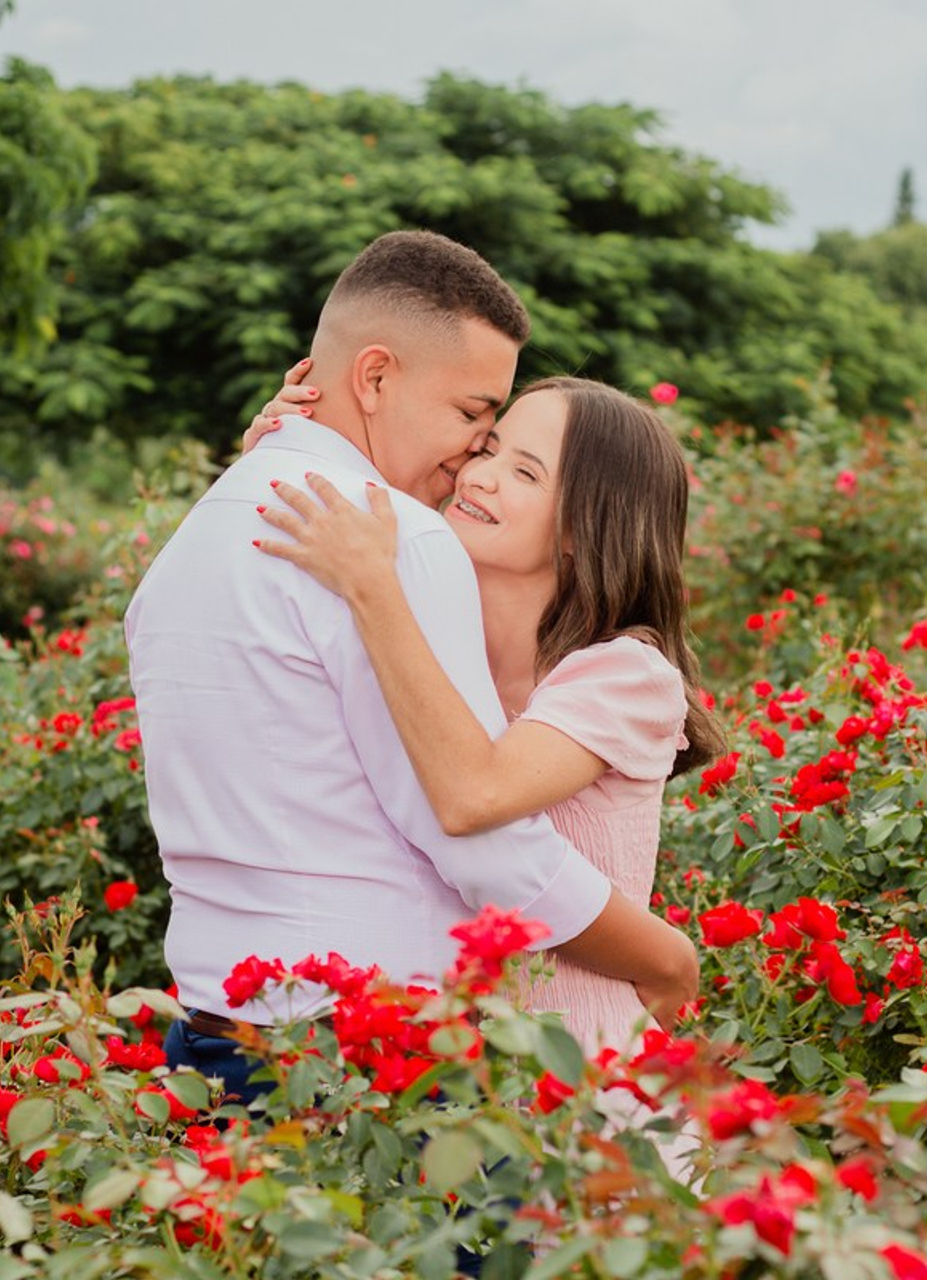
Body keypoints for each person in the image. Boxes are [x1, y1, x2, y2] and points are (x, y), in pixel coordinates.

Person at [124, 231, 698, 1105]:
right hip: (363, 1048)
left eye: (511, 453)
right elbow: (479, 830)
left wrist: (277, 455)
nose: (475, 458)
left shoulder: (200, 535)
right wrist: (666, 953)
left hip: (215, 1028)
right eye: (477, 419)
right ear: (378, 377)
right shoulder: (394, 546)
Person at [251, 375, 725, 1061]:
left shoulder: (626, 674)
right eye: (489, 449)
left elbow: (477, 796)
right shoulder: (441, 641)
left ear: (582, 526)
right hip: (453, 1077)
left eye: (525, 472)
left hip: (582, 1075)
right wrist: (284, 446)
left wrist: (371, 586)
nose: (481, 476)